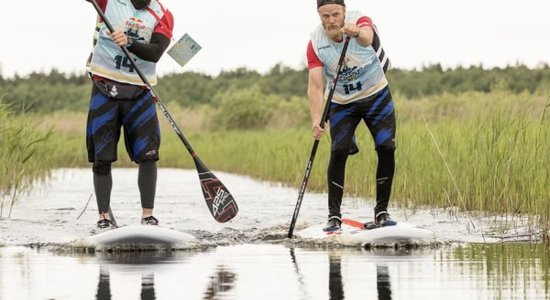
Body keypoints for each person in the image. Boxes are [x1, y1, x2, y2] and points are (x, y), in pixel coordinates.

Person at [307, 0, 397, 231]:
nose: (330, 21)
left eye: (335, 15)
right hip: (341, 103)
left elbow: (367, 36)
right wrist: (316, 119)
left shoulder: (360, 20)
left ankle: (382, 213)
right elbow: (316, 86)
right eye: (324, 16)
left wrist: (355, 31)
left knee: (386, 147)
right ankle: (334, 217)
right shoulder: (316, 43)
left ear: (344, 12)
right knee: (338, 151)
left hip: (376, 95)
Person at [84, 0, 174, 229]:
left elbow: (155, 53)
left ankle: (147, 216)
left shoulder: (162, 14)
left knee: (148, 156)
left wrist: (129, 41)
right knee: (101, 158)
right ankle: (104, 217)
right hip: (105, 87)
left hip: (140, 91)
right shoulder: (107, 2)